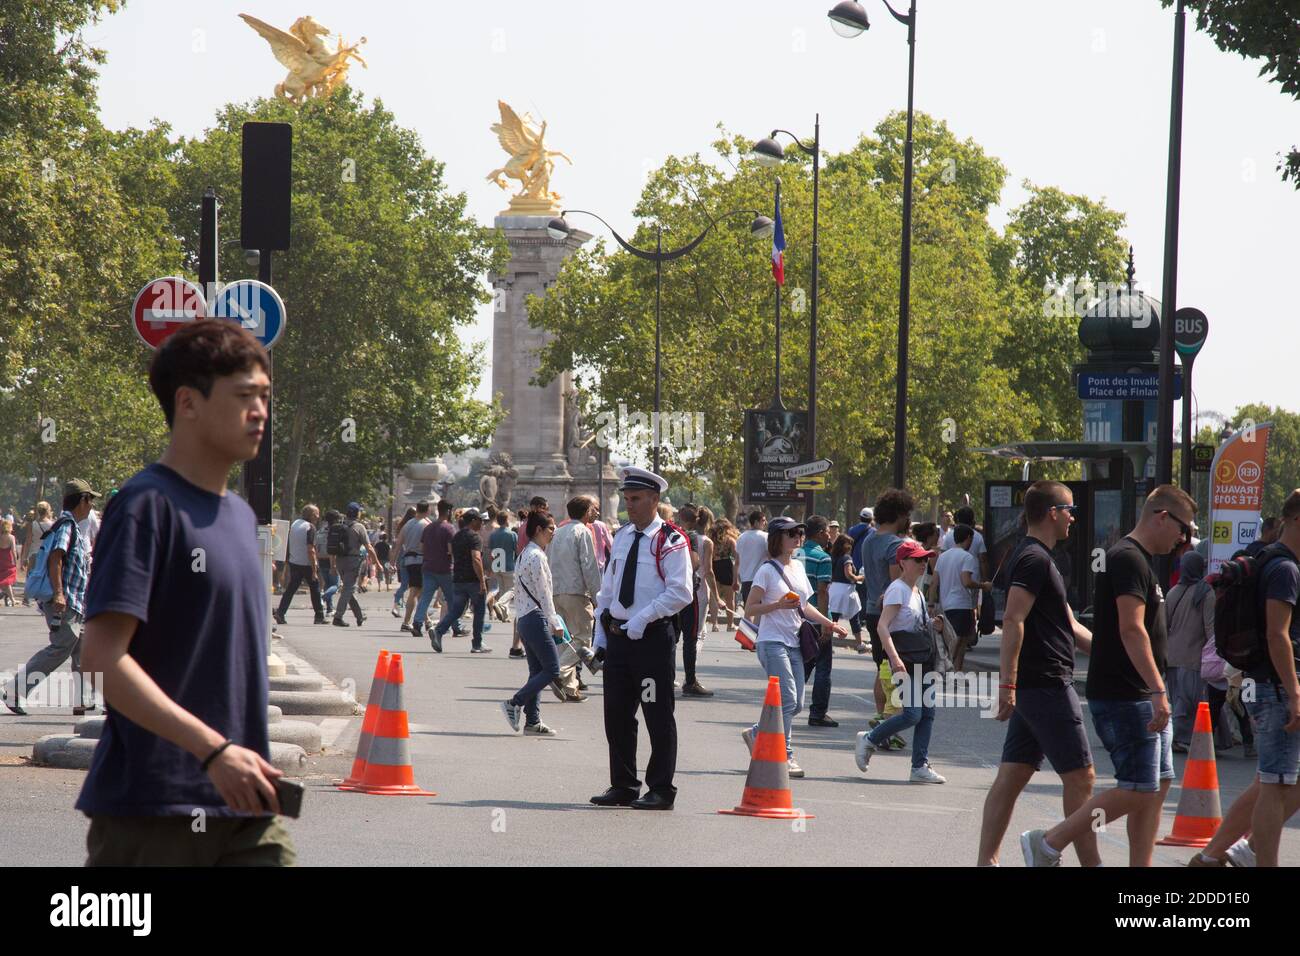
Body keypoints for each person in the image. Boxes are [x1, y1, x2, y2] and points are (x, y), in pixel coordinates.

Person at [69, 320, 293, 864]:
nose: (260, 411)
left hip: (249, 811)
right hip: (155, 813)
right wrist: (212, 750)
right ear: (187, 403)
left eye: (265, 396)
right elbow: (99, 659)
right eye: (244, 396)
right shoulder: (146, 506)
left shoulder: (242, 518)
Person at [1021, 484, 1196, 867]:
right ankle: (1050, 841)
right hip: (1127, 694)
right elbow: (1132, 629)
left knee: (1157, 785)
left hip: (1137, 692)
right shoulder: (1129, 559)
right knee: (1137, 789)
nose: (1184, 539)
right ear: (1161, 517)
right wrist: (1157, 689)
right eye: (1182, 528)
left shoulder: (1140, 560)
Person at [975, 482, 1097, 866]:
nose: (1073, 517)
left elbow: (1069, 626)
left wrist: (1118, 656)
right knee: (1082, 778)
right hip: (1045, 683)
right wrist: (1007, 684)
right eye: (1070, 509)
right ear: (1053, 513)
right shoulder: (1034, 559)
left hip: (1036, 686)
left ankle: (986, 862)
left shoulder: (1037, 557)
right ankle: (1070, 855)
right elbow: (1013, 618)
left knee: (1013, 775)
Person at [1188, 488, 1300, 868]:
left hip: (1265, 683)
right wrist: (1295, 691)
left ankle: (1221, 853)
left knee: (1273, 780)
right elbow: (1277, 634)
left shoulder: (1267, 558)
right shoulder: (1285, 569)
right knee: (1276, 783)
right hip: (1275, 686)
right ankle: (1254, 858)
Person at [589, 467, 694, 810]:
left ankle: (661, 788)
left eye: (635, 499)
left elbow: (681, 593)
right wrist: (601, 638)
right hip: (620, 639)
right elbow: (608, 591)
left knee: (657, 714)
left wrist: (642, 619)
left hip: (650, 640)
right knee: (616, 715)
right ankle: (623, 784)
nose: (628, 505)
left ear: (654, 499)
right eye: (626, 498)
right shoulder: (620, 537)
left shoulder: (671, 540)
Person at [744, 516, 848, 778]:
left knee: (798, 703)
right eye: (791, 533)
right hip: (771, 641)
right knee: (788, 699)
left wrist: (829, 624)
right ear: (777, 537)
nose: (797, 536)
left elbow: (805, 606)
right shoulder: (766, 570)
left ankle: (757, 733)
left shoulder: (799, 568)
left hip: (794, 642)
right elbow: (750, 608)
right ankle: (785, 755)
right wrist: (777, 605)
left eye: (799, 532)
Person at [854, 538, 947, 783]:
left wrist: (932, 624)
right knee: (913, 714)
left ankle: (919, 766)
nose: (923, 563)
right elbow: (883, 627)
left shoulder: (916, 590)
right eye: (917, 560)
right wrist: (894, 659)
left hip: (923, 658)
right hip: (905, 660)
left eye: (925, 559)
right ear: (903, 562)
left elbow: (909, 624)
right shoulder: (897, 589)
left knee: (927, 714)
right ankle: (870, 738)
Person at [2, 480, 98, 715]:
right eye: (90, 500)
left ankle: (83, 700)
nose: (91, 507)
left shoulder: (70, 525)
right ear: (82, 500)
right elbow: (56, 557)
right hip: (64, 601)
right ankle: (15, 690)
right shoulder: (67, 525)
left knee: (82, 650)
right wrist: (58, 594)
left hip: (74, 601)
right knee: (61, 648)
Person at [501, 511, 564, 736]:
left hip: (525, 617)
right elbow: (544, 592)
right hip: (536, 616)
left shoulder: (524, 553)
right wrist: (554, 620)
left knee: (537, 670)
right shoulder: (537, 556)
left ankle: (532, 721)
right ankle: (515, 702)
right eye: (550, 529)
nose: (553, 532)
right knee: (552, 669)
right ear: (538, 529)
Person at [860, 489, 914, 725]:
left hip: (872, 610)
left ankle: (882, 715)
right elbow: (896, 584)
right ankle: (887, 720)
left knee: (882, 666)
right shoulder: (894, 545)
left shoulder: (869, 539)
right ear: (900, 515)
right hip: (890, 613)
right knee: (894, 669)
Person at [550, 495, 602, 701]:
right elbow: (589, 567)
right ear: (585, 511)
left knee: (566, 641)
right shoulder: (583, 532)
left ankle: (570, 688)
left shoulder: (557, 532)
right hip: (576, 592)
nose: (596, 513)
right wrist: (598, 597)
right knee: (582, 638)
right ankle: (559, 672)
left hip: (556, 591)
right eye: (593, 509)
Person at [1165, 549, 1214, 753]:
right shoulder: (1205, 593)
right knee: (1191, 701)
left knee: (1179, 698)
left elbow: (1164, 624)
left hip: (1172, 656)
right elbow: (1210, 628)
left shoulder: (1172, 592)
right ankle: (1181, 738)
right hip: (1194, 656)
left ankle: (1183, 737)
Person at [930, 525, 990, 671]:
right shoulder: (967, 557)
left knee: (960, 639)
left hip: (946, 605)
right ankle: (946, 669)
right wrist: (984, 586)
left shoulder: (943, 557)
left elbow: (933, 583)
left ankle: (956, 673)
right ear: (968, 538)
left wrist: (932, 604)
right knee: (959, 640)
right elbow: (967, 581)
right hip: (961, 604)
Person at [431, 508, 491, 653]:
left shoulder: (456, 536)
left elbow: (452, 553)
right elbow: (476, 559)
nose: (482, 524)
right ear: (473, 521)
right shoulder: (475, 537)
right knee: (479, 611)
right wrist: (482, 581)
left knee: (456, 610)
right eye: (480, 521)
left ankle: (439, 630)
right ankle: (477, 643)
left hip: (458, 579)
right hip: (473, 580)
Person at [801, 515, 839, 728]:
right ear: (819, 533)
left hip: (798, 617)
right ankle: (818, 713)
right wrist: (827, 623)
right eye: (826, 531)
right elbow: (822, 592)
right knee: (823, 667)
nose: (828, 535)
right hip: (817, 618)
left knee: (803, 665)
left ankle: (785, 703)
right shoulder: (822, 558)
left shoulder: (796, 554)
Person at [274, 504, 326, 626]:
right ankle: (319, 616)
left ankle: (281, 612)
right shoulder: (310, 527)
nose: (318, 517)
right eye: (317, 514)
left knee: (291, 588)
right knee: (315, 589)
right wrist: (314, 569)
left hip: (294, 562)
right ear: (312, 515)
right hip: (306, 563)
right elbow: (310, 549)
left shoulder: (295, 524)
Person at [332, 502, 379, 628]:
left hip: (340, 560)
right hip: (352, 561)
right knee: (348, 588)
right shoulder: (359, 527)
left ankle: (359, 615)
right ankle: (338, 616)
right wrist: (377, 563)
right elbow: (368, 546)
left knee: (348, 588)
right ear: (357, 513)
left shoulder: (340, 525)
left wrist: (332, 565)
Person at [487, 510, 522, 657]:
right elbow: (517, 550)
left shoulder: (493, 534)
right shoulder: (512, 534)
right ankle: (503, 609)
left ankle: (502, 609)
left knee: (500, 589)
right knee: (510, 590)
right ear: (506, 520)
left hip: (497, 564)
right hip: (509, 565)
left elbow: (490, 551)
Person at [397, 501, 431, 632]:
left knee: (419, 591)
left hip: (409, 560)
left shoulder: (407, 525)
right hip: (421, 560)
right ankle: (406, 622)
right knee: (416, 592)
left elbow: (398, 545)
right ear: (427, 510)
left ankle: (426, 620)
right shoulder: (426, 525)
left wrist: (393, 561)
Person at [828, 532, 865, 651]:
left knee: (832, 619)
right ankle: (860, 644)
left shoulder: (833, 557)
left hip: (833, 589)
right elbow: (849, 575)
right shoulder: (847, 558)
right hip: (846, 591)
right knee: (854, 618)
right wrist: (860, 578)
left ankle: (828, 644)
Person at [21, 501, 55, 607]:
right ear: (48, 510)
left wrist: (24, 557)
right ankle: (44, 597)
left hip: (34, 552)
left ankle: (27, 597)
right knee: (46, 575)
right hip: (46, 553)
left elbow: (28, 541)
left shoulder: (33, 524)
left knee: (30, 575)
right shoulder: (52, 524)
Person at [710, 518, 739, 632]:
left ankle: (714, 624)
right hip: (726, 566)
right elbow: (737, 558)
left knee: (714, 597)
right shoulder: (730, 540)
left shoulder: (711, 540)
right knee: (729, 598)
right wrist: (736, 577)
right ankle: (730, 624)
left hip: (714, 565)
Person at [736, 511, 768, 614]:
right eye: (763, 520)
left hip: (746, 581)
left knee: (749, 613)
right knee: (762, 613)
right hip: (762, 581)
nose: (765, 523)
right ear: (755, 522)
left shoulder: (741, 537)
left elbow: (737, 561)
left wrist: (735, 580)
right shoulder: (766, 537)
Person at [389, 505, 417, 616]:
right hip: (412, 559)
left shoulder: (402, 527)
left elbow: (397, 547)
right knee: (415, 586)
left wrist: (393, 563)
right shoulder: (413, 527)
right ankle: (420, 611)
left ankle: (397, 604)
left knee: (405, 585)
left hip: (403, 559)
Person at [0, 518, 17, 606]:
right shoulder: (11, 537)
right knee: (8, 581)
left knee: (2, 579)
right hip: (8, 559)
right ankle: (12, 599)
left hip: (1, 559)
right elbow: (13, 550)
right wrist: (15, 561)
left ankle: (8, 596)